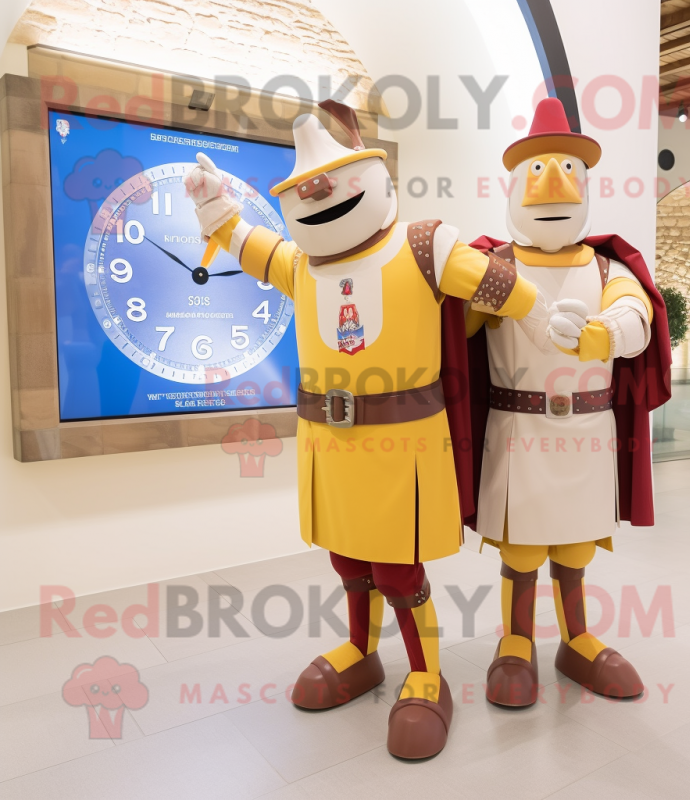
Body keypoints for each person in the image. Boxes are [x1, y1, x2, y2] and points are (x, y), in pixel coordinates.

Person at [182, 100, 548, 759]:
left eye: (334, 183)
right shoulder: (302, 265)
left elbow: (500, 287)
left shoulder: (422, 247)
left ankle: (426, 675)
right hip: (329, 447)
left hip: (403, 443)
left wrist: (544, 311)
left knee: (396, 567)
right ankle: (359, 650)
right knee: (347, 557)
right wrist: (215, 211)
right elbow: (252, 246)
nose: (318, 201)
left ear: (376, 179)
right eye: (303, 195)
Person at [465, 98, 671, 705]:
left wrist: (603, 333)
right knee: (523, 545)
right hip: (517, 427)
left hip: (587, 431)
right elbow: (459, 333)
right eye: (534, 170)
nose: (551, 183)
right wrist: (489, 301)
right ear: (511, 186)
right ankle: (516, 642)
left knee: (576, 545)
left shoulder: (610, 267)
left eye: (565, 170)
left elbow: (637, 318)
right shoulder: (491, 264)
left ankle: (576, 638)